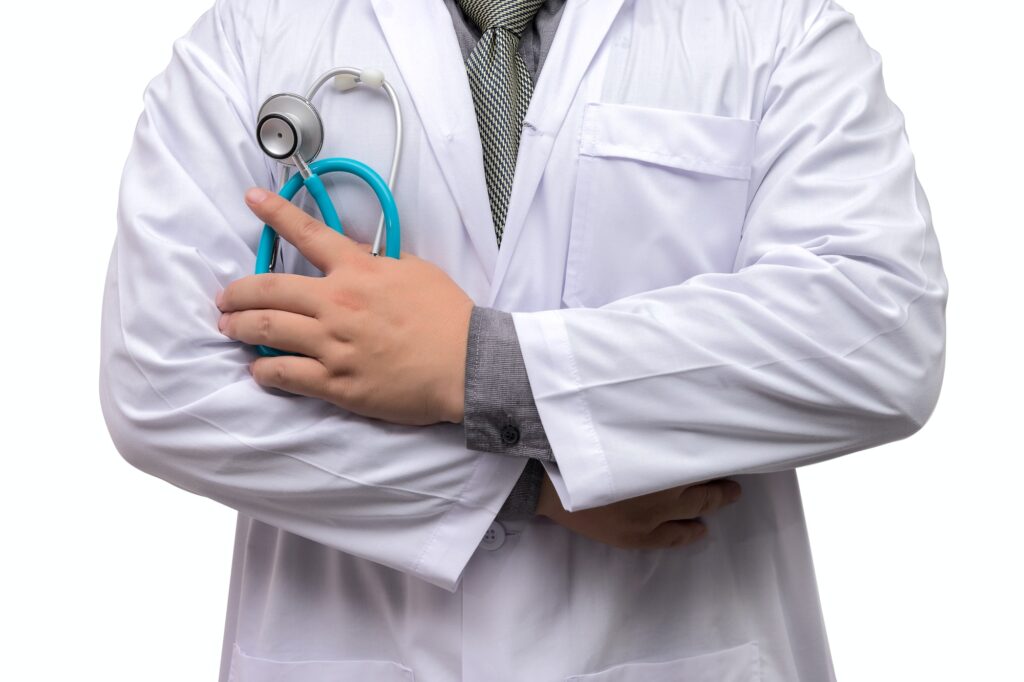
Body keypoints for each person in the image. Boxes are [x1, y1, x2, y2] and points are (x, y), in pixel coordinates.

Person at [99, 0, 947, 680]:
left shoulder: (776, 26)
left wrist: (477, 367)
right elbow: (163, 383)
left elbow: (879, 332)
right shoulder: (250, 36)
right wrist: (527, 487)